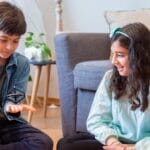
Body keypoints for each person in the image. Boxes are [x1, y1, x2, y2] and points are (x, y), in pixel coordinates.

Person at [57, 22, 150, 150]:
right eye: (113, 54)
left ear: (139, 55)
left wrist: (132, 148)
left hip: (142, 146)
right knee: (66, 144)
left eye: (120, 55)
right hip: (116, 140)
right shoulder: (110, 77)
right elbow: (96, 120)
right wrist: (113, 143)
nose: (114, 61)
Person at [0, 1, 53, 150]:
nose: (9, 47)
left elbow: (14, 96)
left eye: (15, 41)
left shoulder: (21, 63)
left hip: (7, 123)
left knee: (43, 142)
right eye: (3, 40)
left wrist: (11, 106)